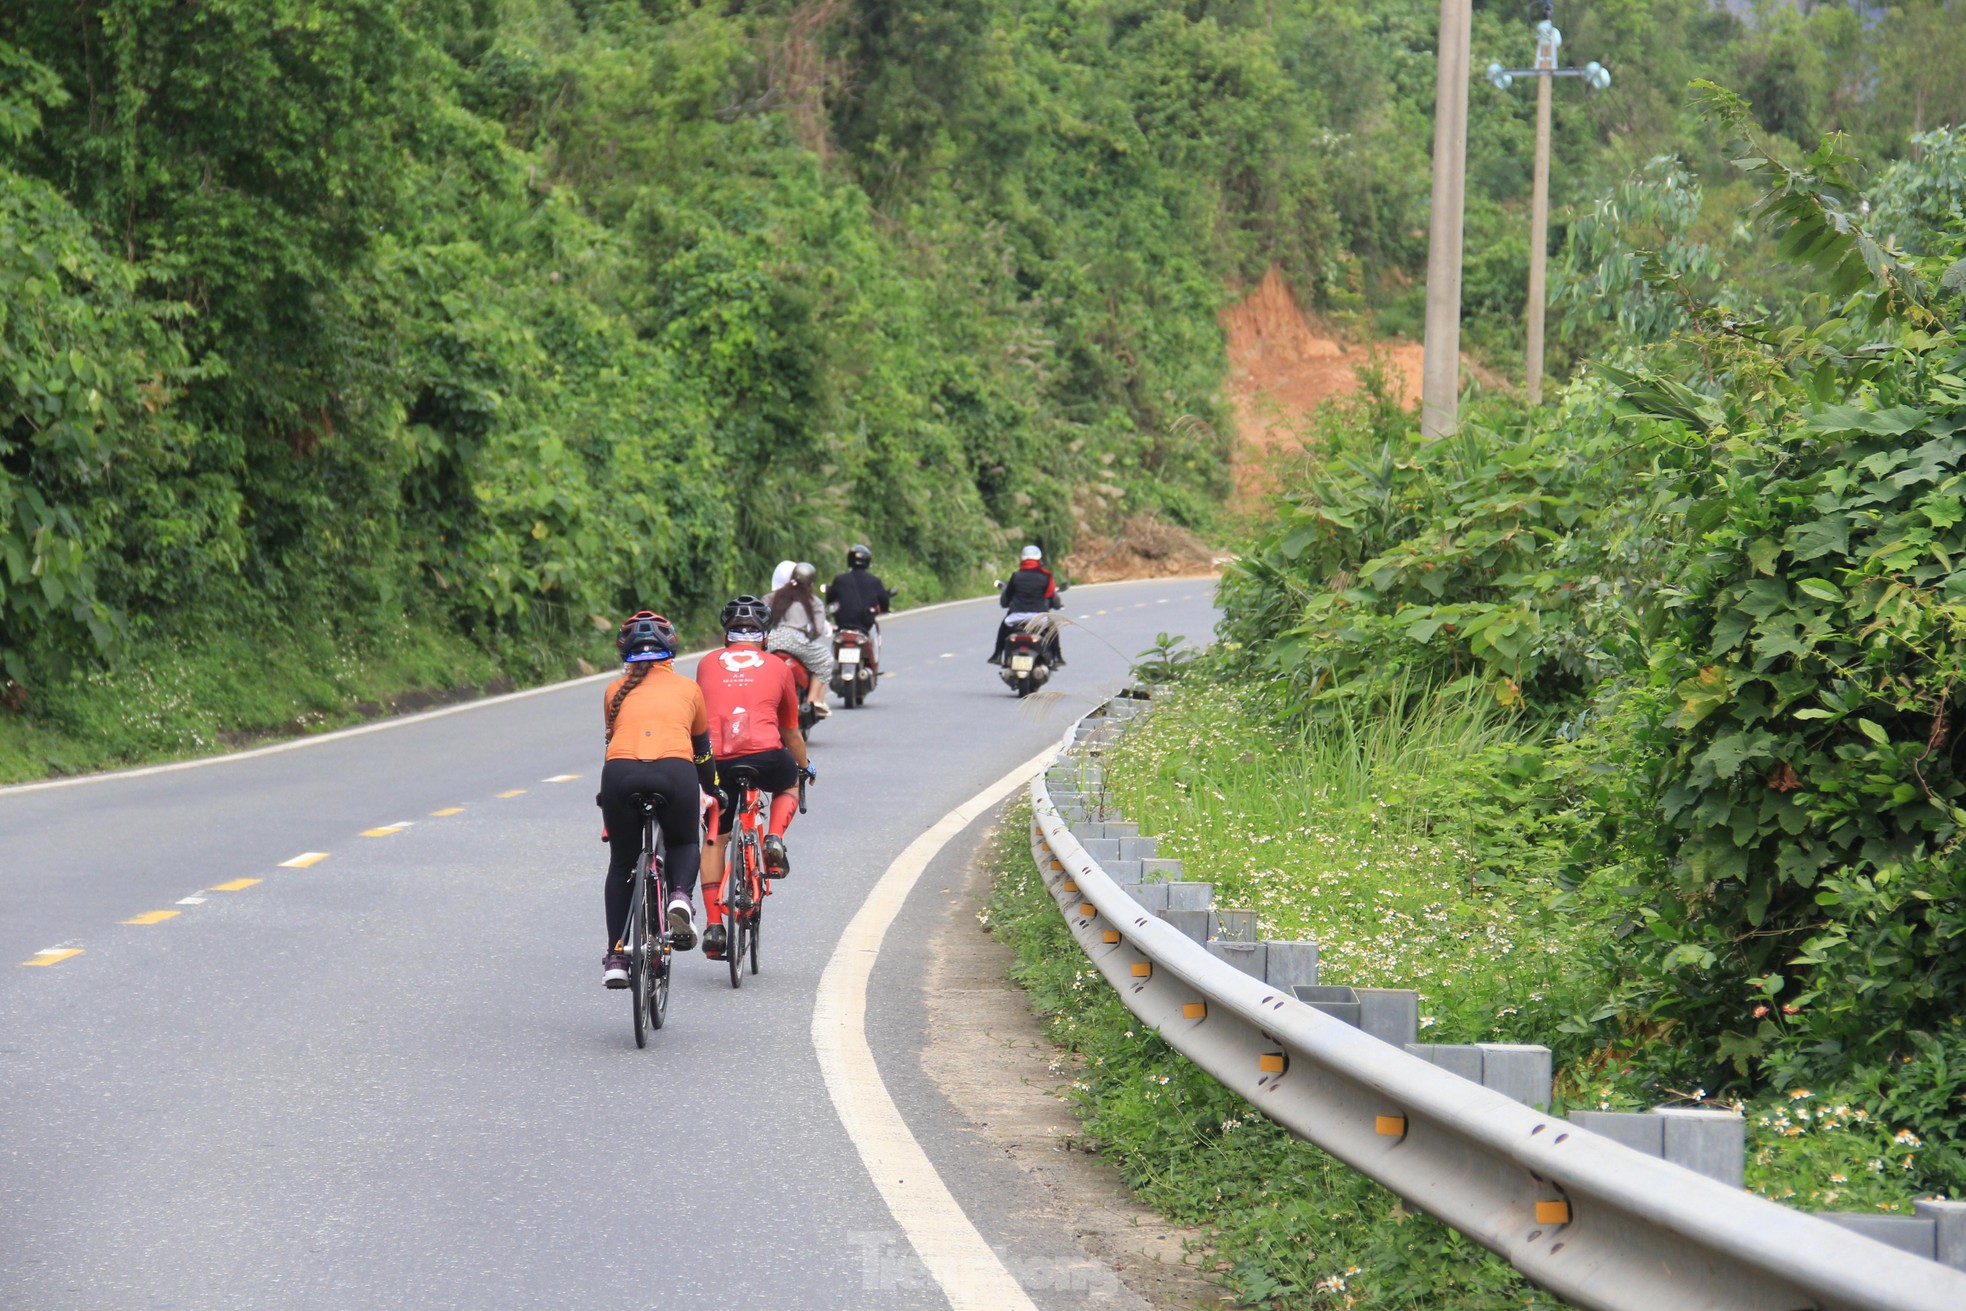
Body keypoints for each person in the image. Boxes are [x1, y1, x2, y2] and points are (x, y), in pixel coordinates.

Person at [598, 610, 722, 986]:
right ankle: (680, 896)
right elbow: (701, 753)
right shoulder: (689, 689)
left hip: (620, 774)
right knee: (684, 839)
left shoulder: (613, 691)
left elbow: (612, 742)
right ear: (670, 650)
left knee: (622, 863)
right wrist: (714, 789)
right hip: (674, 771)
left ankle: (616, 956)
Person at [696, 595, 812, 958]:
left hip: (717, 762)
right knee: (789, 778)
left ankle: (715, 926)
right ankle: (773, 838)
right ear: (765, 636)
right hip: (765, 756)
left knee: (716, 836)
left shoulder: (705, 663)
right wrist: (805, 766)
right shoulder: (779, 666)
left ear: (726, 635)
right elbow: (791, 732)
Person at [766, 561, 834, 720]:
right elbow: (818, 629)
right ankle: (814, 701)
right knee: (825, 660)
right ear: (810, 583)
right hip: (797, 641)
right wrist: (809, 639)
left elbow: (761, 618)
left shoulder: (773, 596)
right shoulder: (813, 601)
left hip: (772, 639)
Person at [990, 544, 1065, 667]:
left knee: (1003, 627)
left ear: (1023, 560)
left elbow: (1007, 597)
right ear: (1039, 560)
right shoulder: (1046, 576)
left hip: (1017, 617)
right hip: (1039, 619)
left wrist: (1005, 602)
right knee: (1053, 630)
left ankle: (997, 654)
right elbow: (1051, 595)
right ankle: (1057, 656)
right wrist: (1058, 605)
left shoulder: (1016, 576)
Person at [827, 543, 893, 635]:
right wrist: (884, 609)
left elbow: (829, 599)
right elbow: (884, 601)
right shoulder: (874, 581)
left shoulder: (840, 579)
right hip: (864, 626)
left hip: (842, 624)